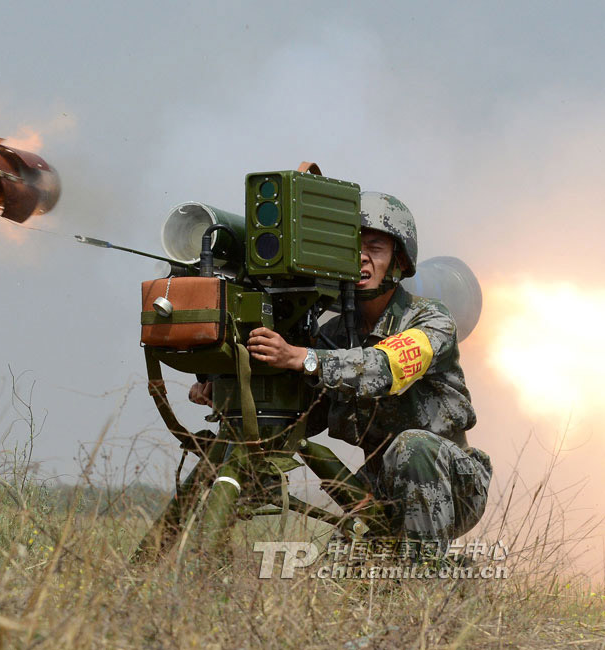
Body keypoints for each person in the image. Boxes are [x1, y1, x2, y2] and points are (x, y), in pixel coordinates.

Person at [189, 192, 492, 557]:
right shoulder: (330, 336)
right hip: (382, 485)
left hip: (451, 482)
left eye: (375, 248)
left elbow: (384, 368)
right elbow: (304, 414)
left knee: (413, 445)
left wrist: (304, 359)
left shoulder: (430, 321)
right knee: (342, 578)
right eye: (353, 247)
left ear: (399, 261)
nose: (361, 257)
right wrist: (231, 388)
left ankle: (425, 581)